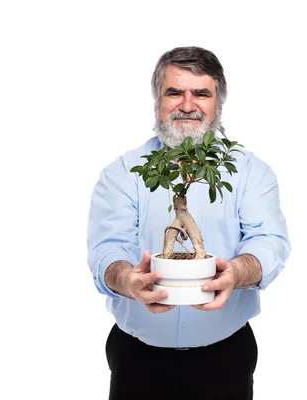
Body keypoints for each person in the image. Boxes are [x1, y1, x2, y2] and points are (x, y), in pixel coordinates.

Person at [87, 46, 291, 399]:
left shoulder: (249, 172)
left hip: (225, 356)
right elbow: (108, 249)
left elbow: (269, 241)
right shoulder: (123, 173)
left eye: (200, 93)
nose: (187, 104)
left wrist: (236, 272)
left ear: (218, 105)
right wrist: (128, 279)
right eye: (174, 92)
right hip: (138, 357)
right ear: (157, 101)